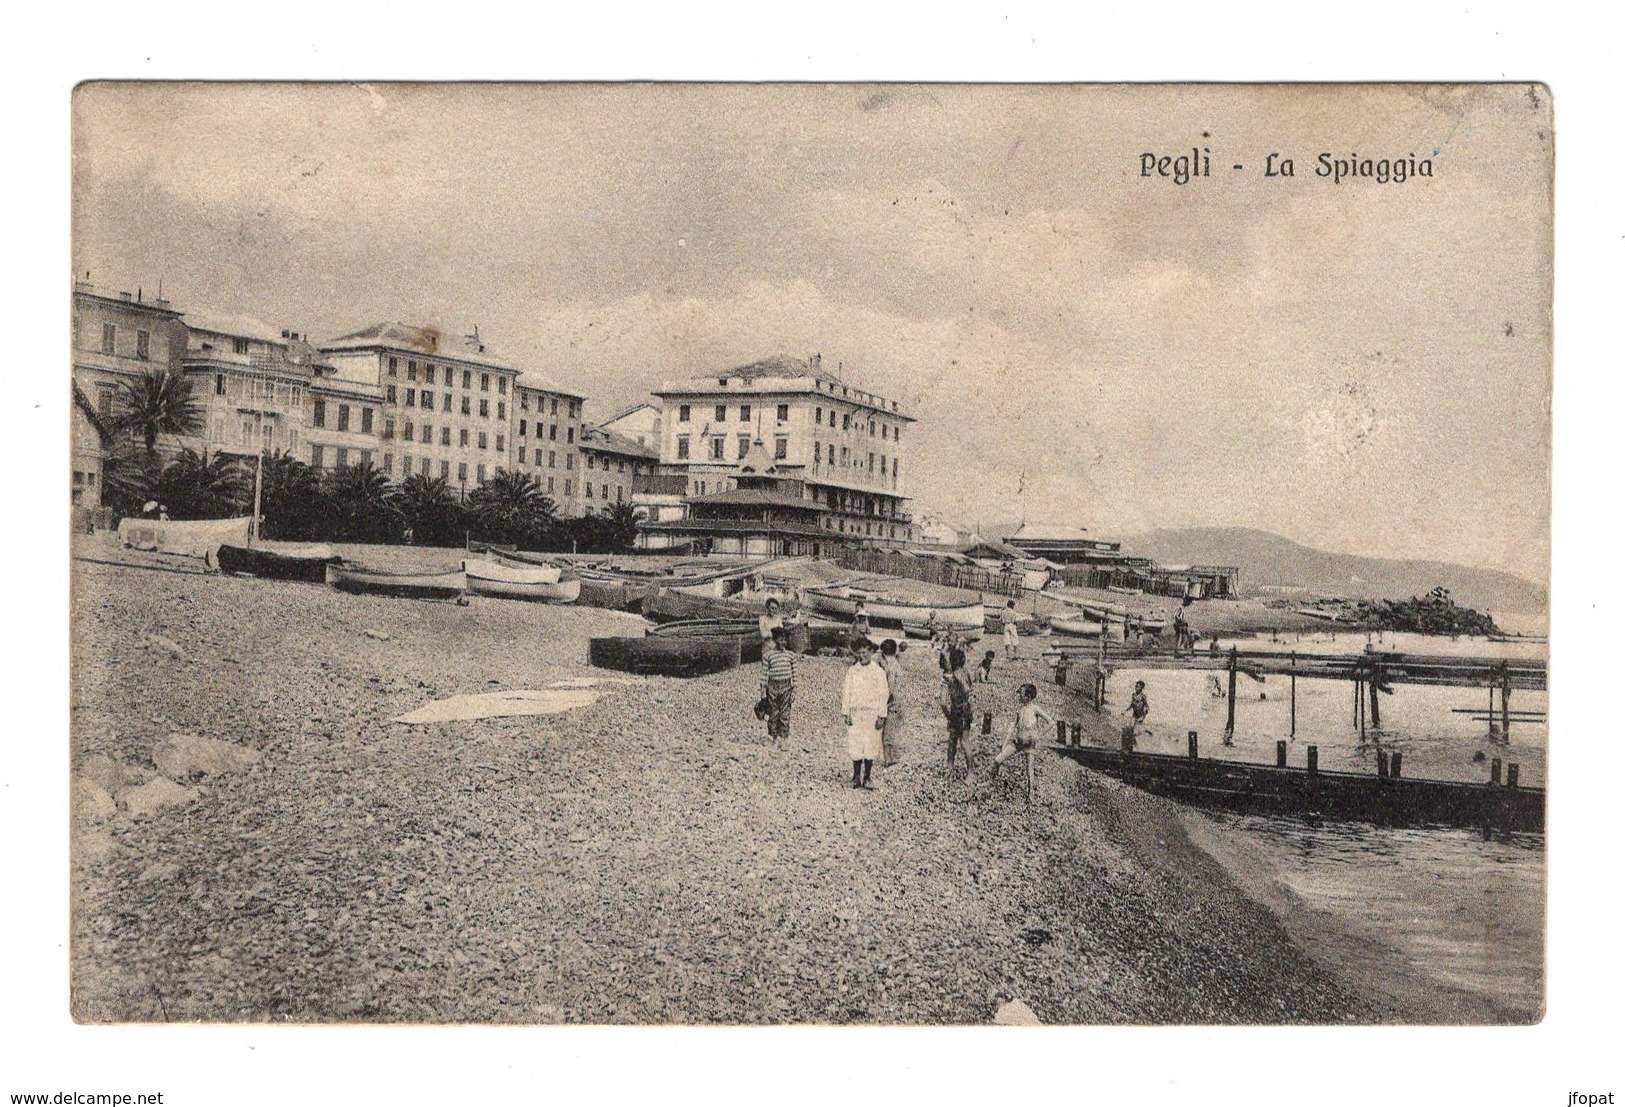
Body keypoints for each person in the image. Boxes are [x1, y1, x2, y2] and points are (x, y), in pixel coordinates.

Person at [990, 683, 1054, 804]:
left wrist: (1039, 734)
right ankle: (992, 783)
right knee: (998, 760)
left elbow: (1051, 722)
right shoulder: (1019, 710)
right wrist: (1004, 743)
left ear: (1028, 696)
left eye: (1021, 694)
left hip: (1030, 743)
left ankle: (1030, 795)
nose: (1019, 696)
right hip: (1018, 741)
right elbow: (1012, 728)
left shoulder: (1035, 708)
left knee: (1029, 768)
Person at [842, 638, 889, 789]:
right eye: (860, 653)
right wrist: (846, 711)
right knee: (856, 743)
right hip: (856, 712)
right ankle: (856, 777)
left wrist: (882, 715)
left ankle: (867, 777)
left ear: (871, 652)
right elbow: (846, 691)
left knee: (871, 744)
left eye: (865, 652)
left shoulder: (878, 672)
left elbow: (884, 694)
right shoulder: (852, 671)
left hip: (872, 713)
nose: (863, 655)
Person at [940, 646, 975, 777]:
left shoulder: (951, 676)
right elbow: (969, 689)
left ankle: (950, 767)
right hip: (966, 709)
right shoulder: (965, 672)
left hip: (956, 710)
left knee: (953, 740)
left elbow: (943, 702)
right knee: (964, 741)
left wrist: (947, 715)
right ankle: (970, 772)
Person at [760, 625, 797, 740]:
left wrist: (794, 689)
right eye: (781, 639)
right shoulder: (768, 655)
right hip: (772, 687)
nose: (783, 642)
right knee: (773, 712)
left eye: (785, 640)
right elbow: (764, 674)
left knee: (785, 712)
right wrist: (763, 691)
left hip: (786, 686)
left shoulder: (791, 655)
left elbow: (794, 673)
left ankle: (783, 735)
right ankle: (772, 734)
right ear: (775, 640)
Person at [879, 638, 903, 765]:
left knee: (888, 732)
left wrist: (882, 702)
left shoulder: (890, 667)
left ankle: (889, 759)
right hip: (897, 701)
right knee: (891, 730)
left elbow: (891, 688)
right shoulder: (896, 663)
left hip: (892, 702)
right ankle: (891, 757)